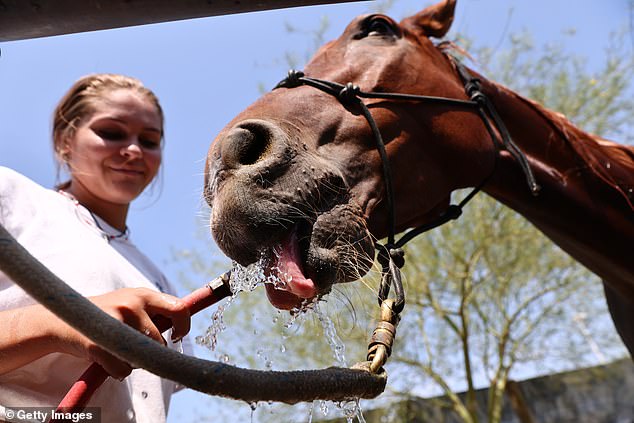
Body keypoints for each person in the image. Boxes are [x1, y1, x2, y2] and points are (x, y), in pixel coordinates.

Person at [0, 74, 191, 422]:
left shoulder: (157, 279)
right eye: (112, 133)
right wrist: (57, 324)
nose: (133, 149)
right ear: (64, 140)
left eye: (149, 140)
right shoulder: (11, 198)